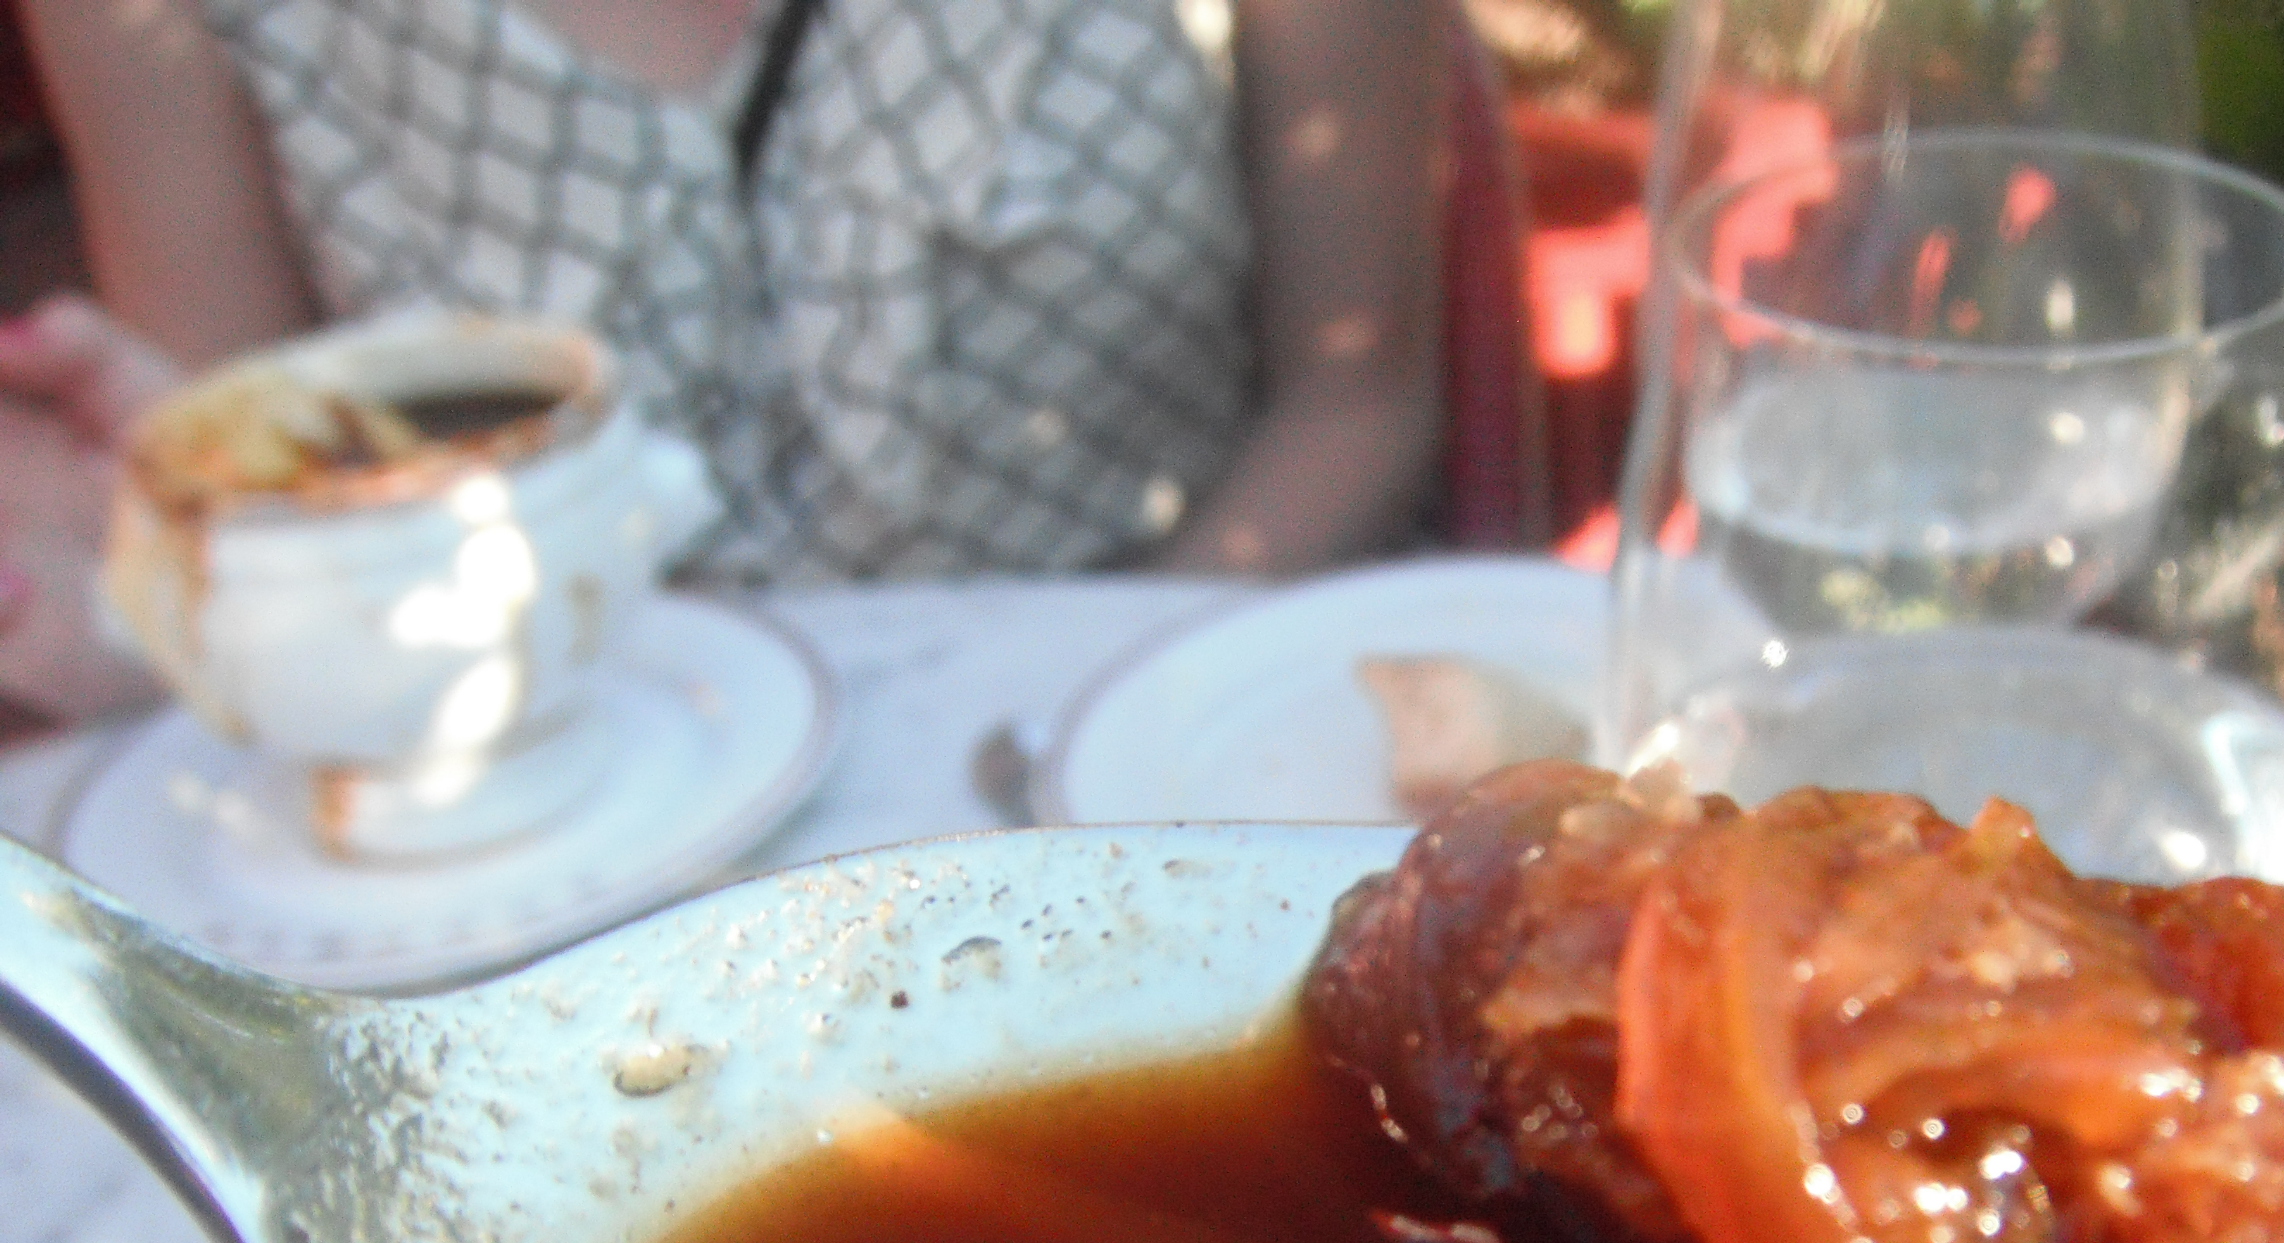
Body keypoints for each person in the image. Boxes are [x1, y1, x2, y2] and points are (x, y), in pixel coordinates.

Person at [0, 0, 1446, 722]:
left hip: (1142, 738)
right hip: (551, 846)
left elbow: (1357, 403)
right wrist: (163, 613)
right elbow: (249, 509)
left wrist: (1092, 737)